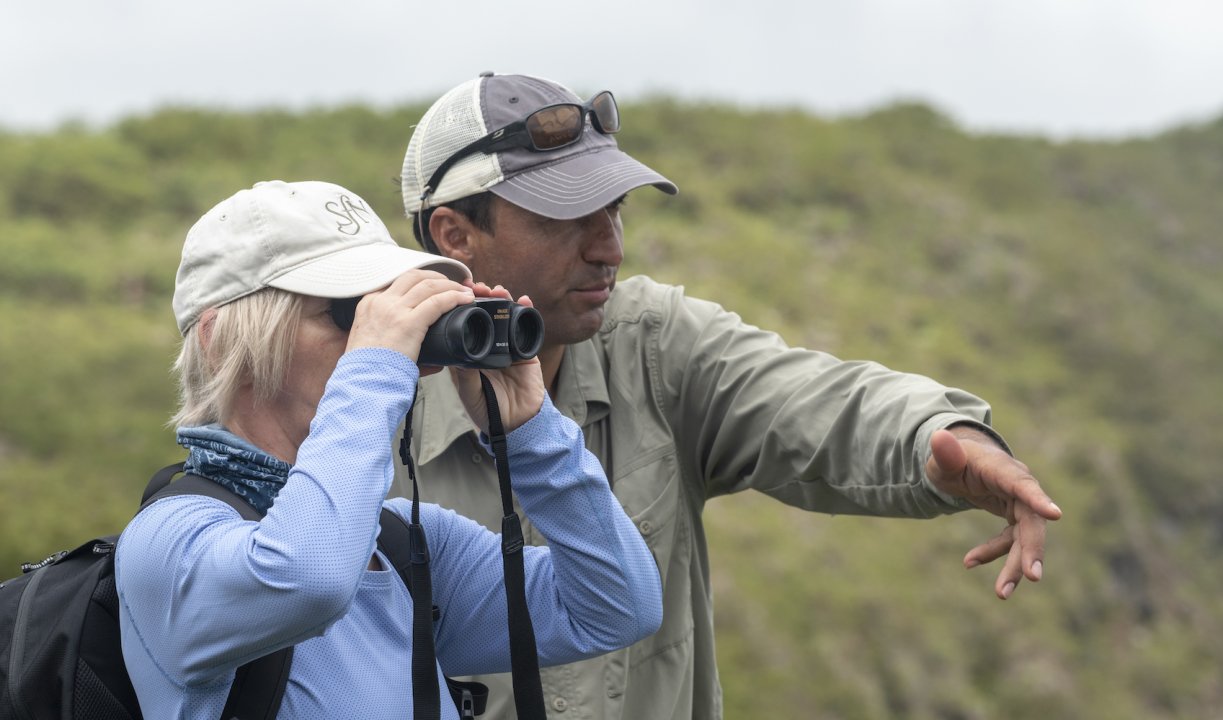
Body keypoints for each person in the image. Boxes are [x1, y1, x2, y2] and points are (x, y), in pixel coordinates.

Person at [394, 73, 1063, 720]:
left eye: (614, 209)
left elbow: (816, 401)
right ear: (455, 235)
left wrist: (948, 440)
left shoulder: (656, 347)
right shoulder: (365, 398)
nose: (610, 247)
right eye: (568, 215)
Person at [115, 179, 663, 719]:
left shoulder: (405, 549)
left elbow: (617, 607)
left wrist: (528, 435)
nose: (385, 336)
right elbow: (311, 578)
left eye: (387, 311)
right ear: (221, 340)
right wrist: (373, 366)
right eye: (349, 314)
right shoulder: (169, 542)